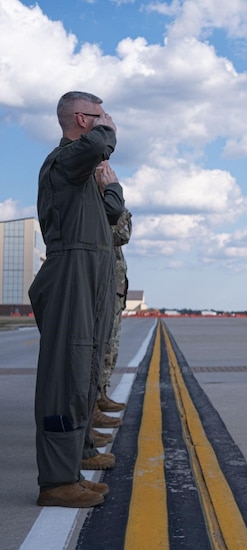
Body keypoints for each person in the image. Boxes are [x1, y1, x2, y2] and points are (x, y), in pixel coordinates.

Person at [28, 91, 124, 508]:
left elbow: (112, 217)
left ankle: (74, 465)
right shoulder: (64, 160)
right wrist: (107, 131)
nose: (108, 120)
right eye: (100, 114)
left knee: (84, 372)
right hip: (71, 276)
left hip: (92, 277)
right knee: (65, 375)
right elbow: (102, 143)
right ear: (82, 121)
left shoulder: (82, 175)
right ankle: (55, 482)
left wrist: (113, 186)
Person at [97, 181, 132, 414]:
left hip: (115, 290)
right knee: (103, 347)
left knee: (111, 347)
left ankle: (102, 395)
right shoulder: (99, 207)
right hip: (105, 289)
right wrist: (115, 196)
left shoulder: (106, 205)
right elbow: (122, 233)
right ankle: (94, 403)